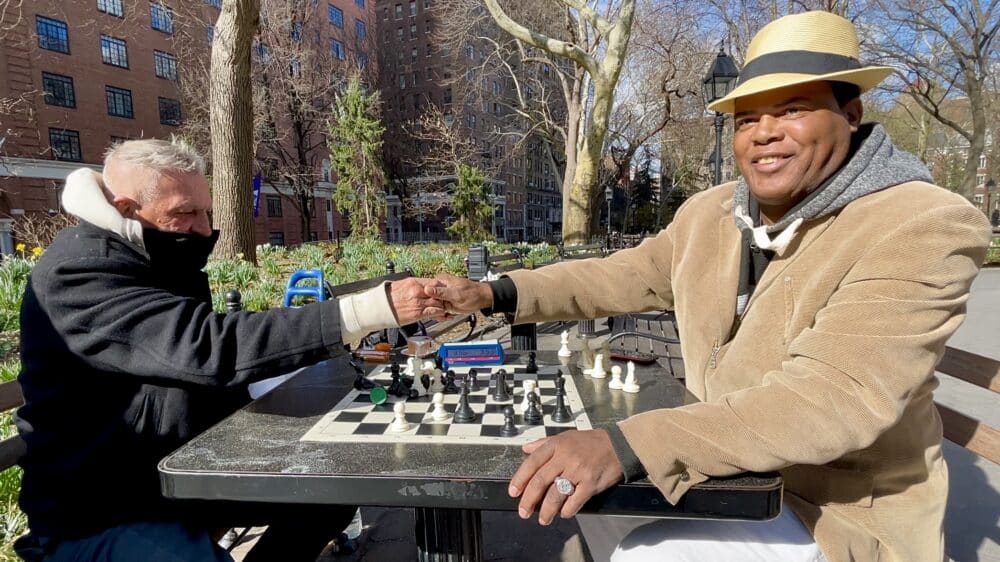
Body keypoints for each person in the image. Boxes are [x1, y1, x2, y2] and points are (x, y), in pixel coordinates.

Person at [428, 11, 992, 562]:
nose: (765, 132)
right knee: (580, 504)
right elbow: (617, 275)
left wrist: (626, 444)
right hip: (721, 470)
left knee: (639, 541)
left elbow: (833, 397)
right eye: (746, 118)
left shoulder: (923, 221)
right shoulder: (712, 212)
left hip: (832, 510)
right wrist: (493, 293)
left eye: (792, 109)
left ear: (850, 113)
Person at [13, 139, 446, 561]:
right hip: (99, 510)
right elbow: (203, 346)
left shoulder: (155, 253)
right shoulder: (77, 272)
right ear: (127, 209)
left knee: (328, 491)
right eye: (185, 213)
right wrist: (372, 307)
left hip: (176, 475)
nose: (204, 229)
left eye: (206, 211)